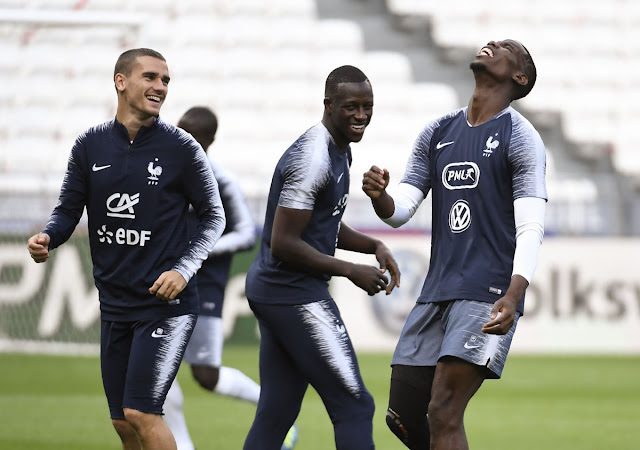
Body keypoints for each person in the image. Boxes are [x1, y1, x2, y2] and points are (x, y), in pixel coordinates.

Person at [26, 48, 226, 450]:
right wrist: (49, 236)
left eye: (166, 80)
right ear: (121, 82)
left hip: (166, 303)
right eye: (150, 77)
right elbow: (68, 209)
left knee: (142, 414)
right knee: (122, 424)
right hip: (115, 303)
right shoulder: (90, 145)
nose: (160, 87)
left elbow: (214, 217)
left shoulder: (183, 148)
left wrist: (183, 270)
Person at [362, 39, 546, 450]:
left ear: (520, 77)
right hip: (436, 292)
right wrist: (381, 197)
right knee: (404, 415)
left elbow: (531, 226)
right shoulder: (437, 130)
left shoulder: (521, 136)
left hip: (486, 292)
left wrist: (515, 293)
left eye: (506, 48)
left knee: (444, 411)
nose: (491, 44)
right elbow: (401, 209)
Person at [243, 65, 401, 450]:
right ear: (328, 105)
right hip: (292, 293)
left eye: (368, 106)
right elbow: (283, 242)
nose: (361, 116)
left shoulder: (338, 150)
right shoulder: (313, 157)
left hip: (276, 291)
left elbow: (323, 224)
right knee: (355, 407)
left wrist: (373, 246)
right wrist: (350, 270)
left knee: (277, 410)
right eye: (351, 107)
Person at [162, 106, 298, 450]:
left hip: (204, 287)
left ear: (209, 141)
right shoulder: (164, 177)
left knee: (206, 375)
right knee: (157, 372)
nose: (186, 139)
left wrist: (201, 250)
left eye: (195, 134)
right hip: (164, 285)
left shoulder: (220, 182)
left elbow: (245, 234)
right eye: (182, 130)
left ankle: (276, 413)